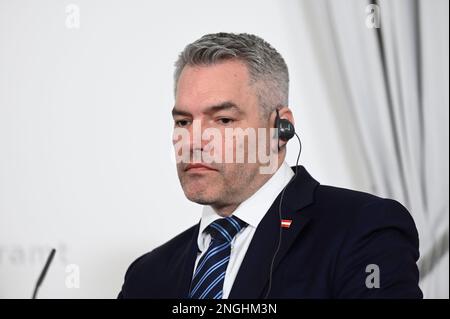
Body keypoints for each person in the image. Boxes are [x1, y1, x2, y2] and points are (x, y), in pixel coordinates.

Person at [118, 32, 422, 299]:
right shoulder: (145, 276)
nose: (194, 140)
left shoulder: (363, 229)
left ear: (280, 128)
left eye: (223, 120)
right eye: (183, 121)